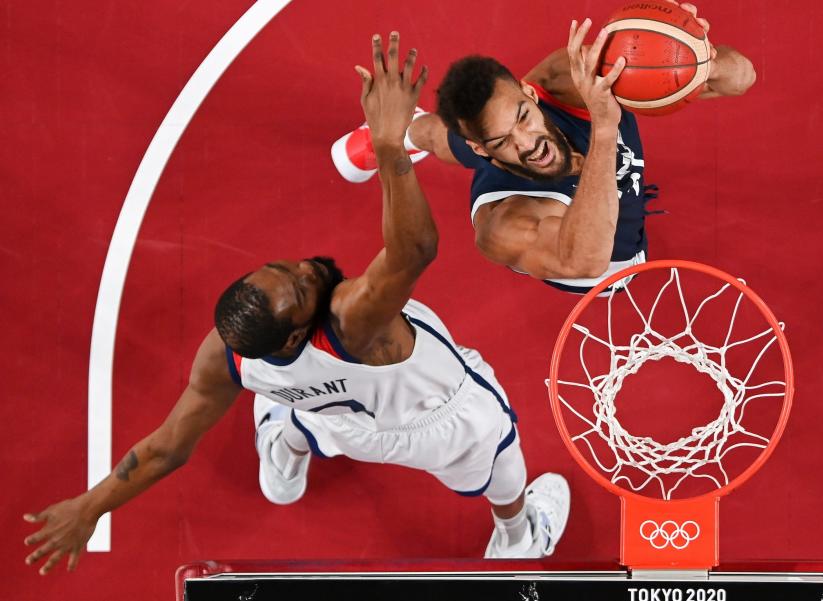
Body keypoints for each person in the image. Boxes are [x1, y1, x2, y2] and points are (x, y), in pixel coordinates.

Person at [23, 32, 569, 576]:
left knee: (298, 410)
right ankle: (519, 532)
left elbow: (167, 447)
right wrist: (387, 145)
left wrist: (89, 507)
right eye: (303, 289)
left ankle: (284, 451)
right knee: (498, 457)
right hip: (434, 418)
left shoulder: (231, 356)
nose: (308, 268)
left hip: (330, 416)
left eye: (284, 268)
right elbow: (415, 249)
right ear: (293, 334)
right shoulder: (351, 323)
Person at [332, 3, 755, 293]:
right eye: (501, 142)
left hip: (531, 134)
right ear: (484, 149)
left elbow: (741, 79)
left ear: (529, 94)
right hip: (586, 254)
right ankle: (396, 137)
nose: (528, 144)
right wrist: (605, 130)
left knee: (434, 133)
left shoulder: (565, 83)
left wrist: (695, 56)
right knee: (441, 137)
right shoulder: (502, 226)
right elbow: (584, 261)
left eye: (522, 117)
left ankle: (404, 132)